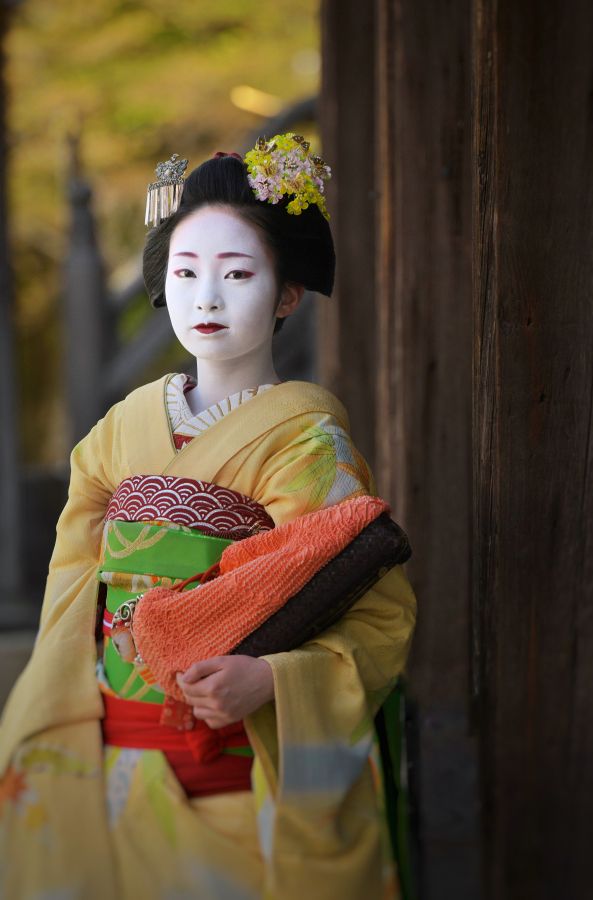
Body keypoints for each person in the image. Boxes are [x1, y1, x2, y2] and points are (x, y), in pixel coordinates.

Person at [0, 134, 417, 900]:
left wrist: (269, 679)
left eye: (237, 274)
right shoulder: (118, 431)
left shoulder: (306, 442)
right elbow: (71, 597)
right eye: (186, 273)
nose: (207, 298)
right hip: (112, 764)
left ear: (287, 294)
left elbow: (378, 618)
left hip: (235, 770)